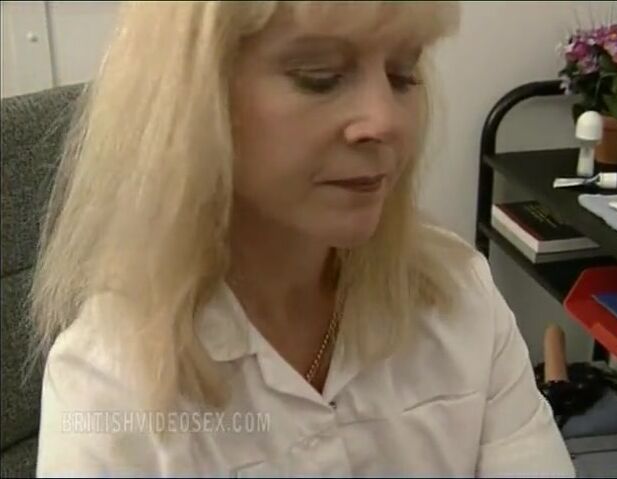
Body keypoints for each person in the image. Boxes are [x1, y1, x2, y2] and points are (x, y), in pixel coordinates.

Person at [31, 1, 575, 476]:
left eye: (403, 74)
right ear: (193, 100)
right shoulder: (108, 380)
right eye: (320, 77)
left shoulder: (461, 296)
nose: (385, 120)